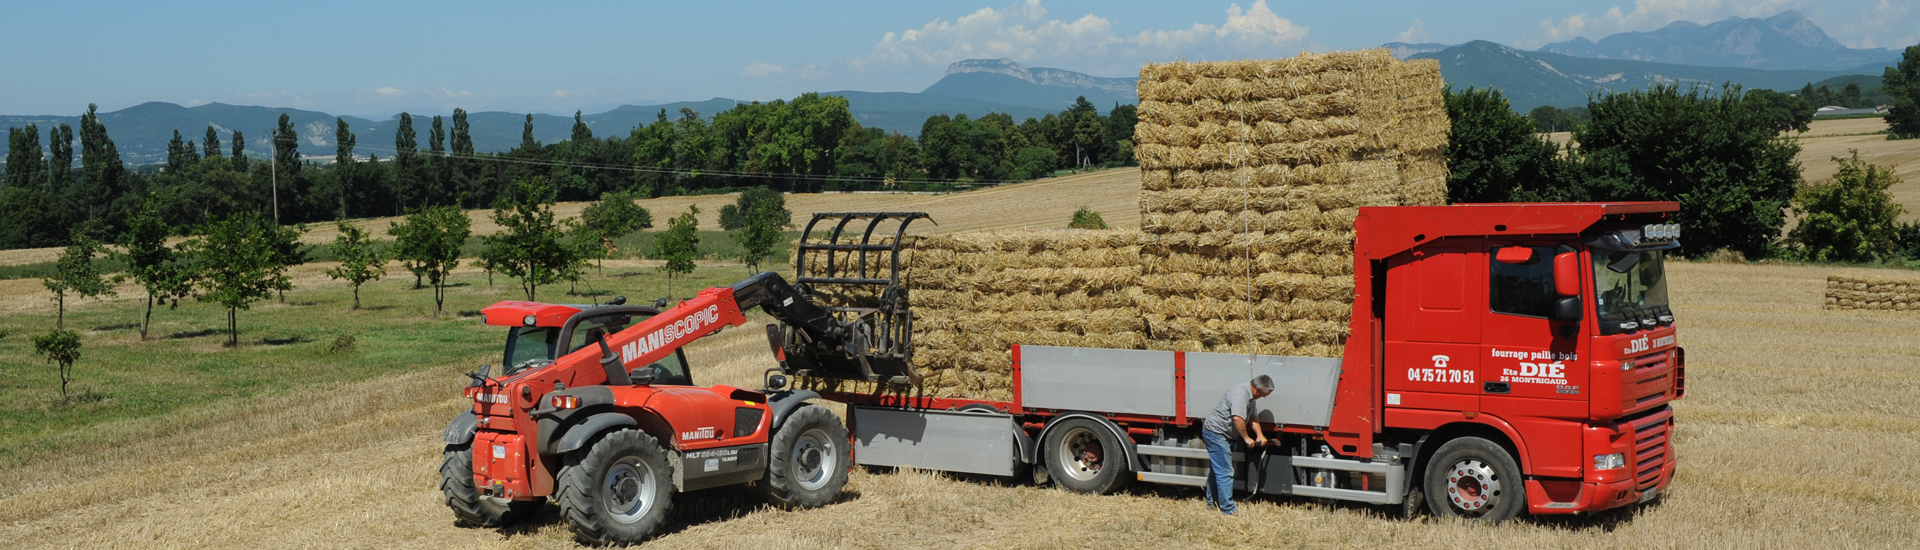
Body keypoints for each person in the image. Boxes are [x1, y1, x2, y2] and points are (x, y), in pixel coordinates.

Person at [1202, 374, 1274, 515]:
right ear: (1258, 389)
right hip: (1216, 433)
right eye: (1265, 394)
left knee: (1217, 471)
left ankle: (1212, 503)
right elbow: (1237, 418)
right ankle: (1228, 509)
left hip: (1221, 434)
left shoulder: (1251, 397)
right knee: (1225, 472)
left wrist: (1259, 435)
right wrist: (1247, 438)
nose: (1265, 397)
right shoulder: (1240, 395)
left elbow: (1253, 417)